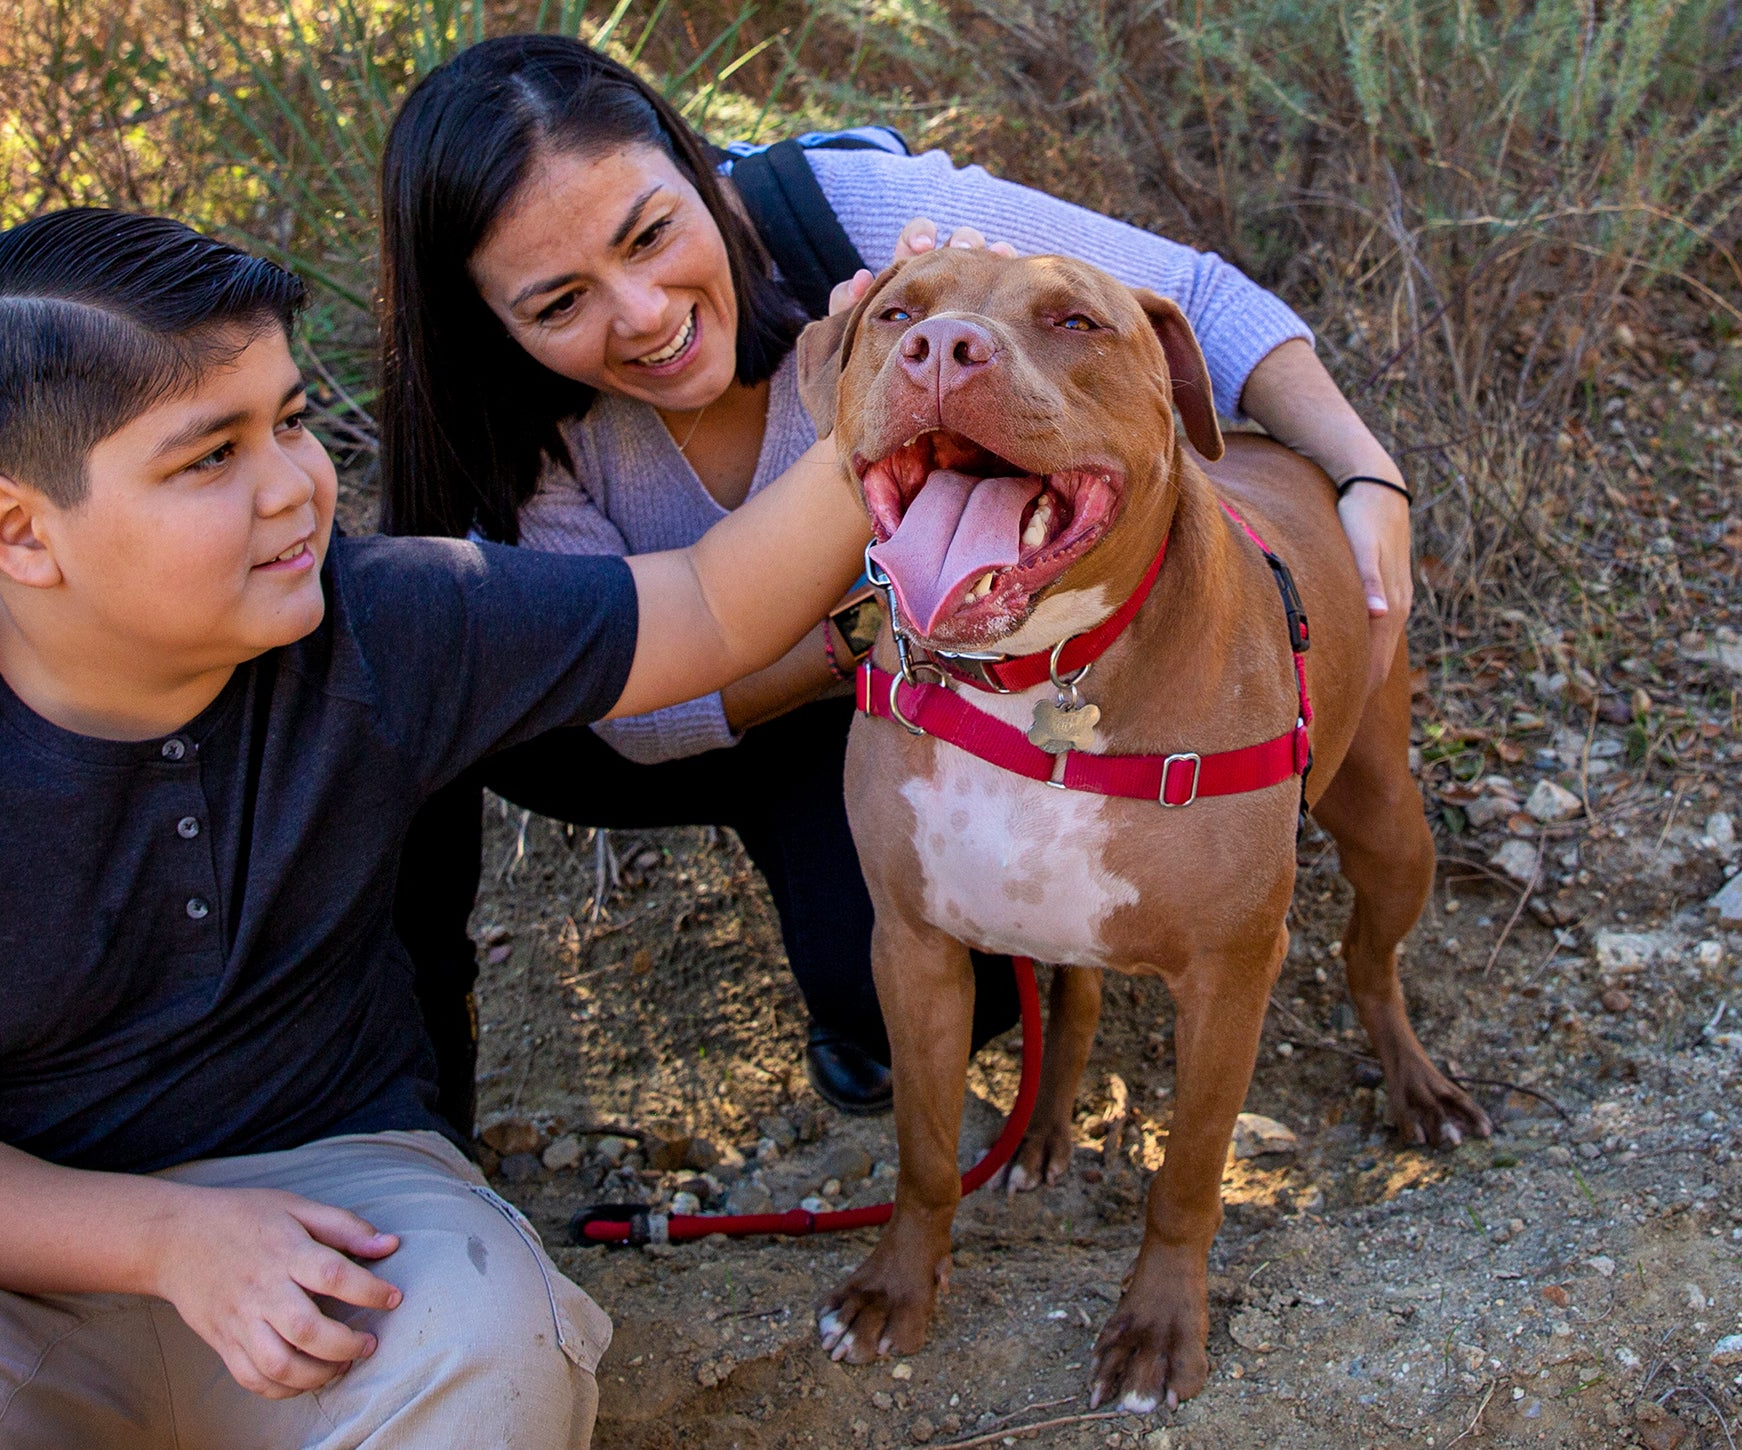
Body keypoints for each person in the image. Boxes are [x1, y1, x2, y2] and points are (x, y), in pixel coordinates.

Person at [0, 208, 874, 1449]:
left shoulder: (381, 623)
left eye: (292, 422)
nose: (297, 486)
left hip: (335, 1181)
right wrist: (168, 1238)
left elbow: (711, 603)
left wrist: (875, 424)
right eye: (211, 457)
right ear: (21, 529)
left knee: (488, 1357)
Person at [379, 34, 1419, 1127]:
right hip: (732, 695)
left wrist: (1365, 470)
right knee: (458, 671)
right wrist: (864, 617)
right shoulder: (503, 431)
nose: (642, 312)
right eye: (557, 304)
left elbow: (1194, 297)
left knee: (914, 996)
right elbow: (648, 710)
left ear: (697, 169)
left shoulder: (858, 219)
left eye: (651, 233)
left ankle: (863, 963)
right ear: (489, 325)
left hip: (893, 672)